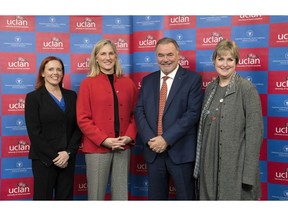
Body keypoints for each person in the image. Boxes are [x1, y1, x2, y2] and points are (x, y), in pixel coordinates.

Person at [193, 39, 264, 200]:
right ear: (214, 61)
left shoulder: (246, 89)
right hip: (209, 169)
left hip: (235, 168)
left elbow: (255, 134)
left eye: (230, 59)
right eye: (221, 59)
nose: (225, 64)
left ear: (237, 62)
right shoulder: (211, 88)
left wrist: (248, 176)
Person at [134, 37, 203, 200]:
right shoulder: (148, 80)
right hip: (153, 152)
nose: (165, 59)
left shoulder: (192, 79)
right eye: (161, 55)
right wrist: (152, 139)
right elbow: (139, 111)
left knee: (186, 199)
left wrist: (165, 139)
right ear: (156, 56)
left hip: (181, 152)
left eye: (170, 54)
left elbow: (192, 113)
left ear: (178, 55)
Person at [76, 39, 137, 200]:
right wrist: (104, 140)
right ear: (96, 58)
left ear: (116, 57)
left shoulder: (128, 83)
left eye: (111, 53)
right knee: (96, 196)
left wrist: (129, 136)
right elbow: (83, 118)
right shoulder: (87, 84)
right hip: (97, 149)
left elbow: (136, 114)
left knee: (120, 196)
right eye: (103, 53)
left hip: (123, 146)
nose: (107, 57)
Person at [25, 56, 82, 200]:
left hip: (67, 159)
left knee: (65, 200)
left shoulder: (71, 96)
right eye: (50, 69)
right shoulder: (33, 98)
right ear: (43, 73)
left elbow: (78, 127)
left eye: (59, 69)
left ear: (63, 73)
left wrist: (68, 153)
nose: (55, 73)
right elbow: (34, 132)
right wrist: (55, 156)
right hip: (44, 160)